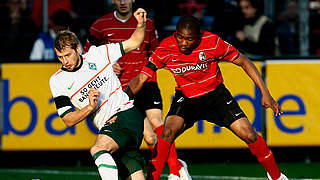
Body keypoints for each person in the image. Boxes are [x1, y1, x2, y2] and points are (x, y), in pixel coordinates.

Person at [126, 16, 289, 180]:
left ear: (198, 36)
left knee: (249, 134)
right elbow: (141, 78)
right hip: (187, 98)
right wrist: (122, 99)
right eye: (180, 37)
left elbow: (245, 62)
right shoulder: (165, 48)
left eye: (189, 39)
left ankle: (277, 177)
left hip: (216, 97)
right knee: (166, 132)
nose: (183, 43)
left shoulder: (212, 42)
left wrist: (266, 94)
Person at [84, 0, 191, 179]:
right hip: (122, 91)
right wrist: (109, 65)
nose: (123, 1)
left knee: (157, 122)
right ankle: (170, 166)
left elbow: (155, 52)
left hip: (146, 82)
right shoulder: (100, 25)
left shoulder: (147, 23)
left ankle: (177, 171)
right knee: (149, 139)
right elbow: (88, 57)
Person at [49, 8, 147, 180]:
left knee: (98, 149)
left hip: (126, 115)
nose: (65, 61)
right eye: (60, 57)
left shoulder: (99, 54)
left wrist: (141, 24)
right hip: (112, 130)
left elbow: (135, 42)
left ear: (78, 48)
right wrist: (89, 107)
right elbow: (68, 120)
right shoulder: (57, 80)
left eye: (68, 55)